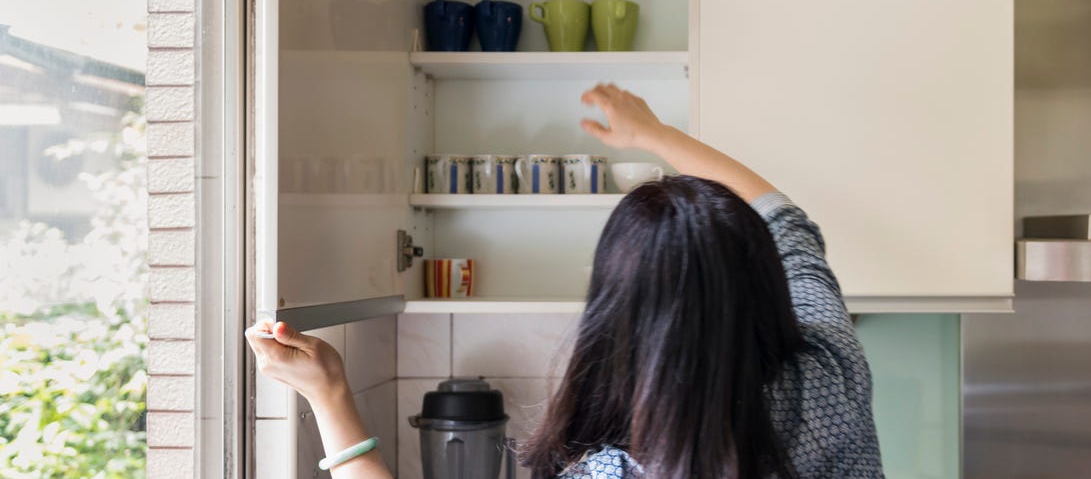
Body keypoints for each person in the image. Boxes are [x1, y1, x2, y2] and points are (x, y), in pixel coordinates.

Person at [247, 84, 883, 478]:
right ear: (763, 279)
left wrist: (330, 395)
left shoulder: (614, 471)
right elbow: (786, 220)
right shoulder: (834, 373)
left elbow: (781, 221)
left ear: (617, 310)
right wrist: (657, 137)